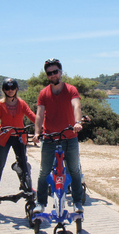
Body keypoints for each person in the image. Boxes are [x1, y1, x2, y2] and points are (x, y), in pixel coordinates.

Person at [32, 58, 84, 214]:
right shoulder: (44, 93)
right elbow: (39, 114)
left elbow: (77, 105)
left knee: (74, 170)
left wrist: (77, 122)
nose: (53, 75)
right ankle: (40, 203)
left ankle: (76, 203)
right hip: (49, 138)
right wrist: (37, 132)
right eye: (50, 73)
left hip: (70, 136)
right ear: (47, 75)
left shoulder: (71, 89)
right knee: (44, 171)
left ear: (61, 72)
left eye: (55, 72)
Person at [0, 78, 36, 196]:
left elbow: (31, 115)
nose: (10, 91)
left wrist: (42, 124)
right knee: (0, 162)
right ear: (4, 90)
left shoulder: (21, 103)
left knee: (23, 162)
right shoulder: (0, 104)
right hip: (4, 137)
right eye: (7, 88)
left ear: (16, 89)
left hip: (20, 136)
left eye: (12, 88)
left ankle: (27, 184)